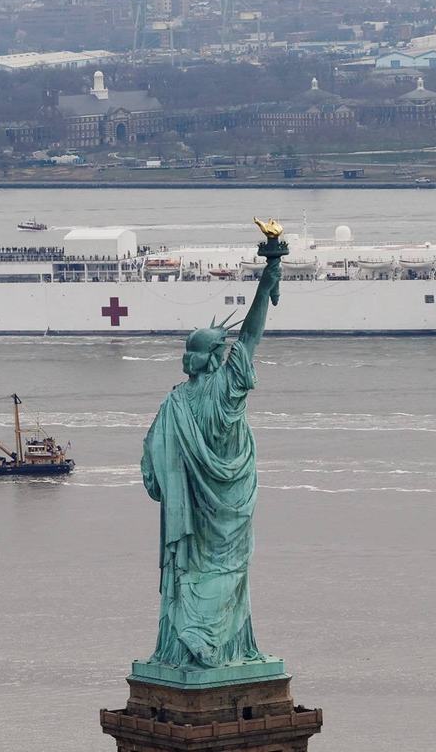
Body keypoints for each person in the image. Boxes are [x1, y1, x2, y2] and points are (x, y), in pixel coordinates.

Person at [139, 252, 280, 669]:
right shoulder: (229, 387)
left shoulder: (174, 403)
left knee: (194, 569)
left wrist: (170, 485)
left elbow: (152, 470)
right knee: (231, 568)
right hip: (233, 498)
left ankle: (187, 643)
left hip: (192, 511)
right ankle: (219, 644)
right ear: (220, 355)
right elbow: (252, 335)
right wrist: (267, 281)